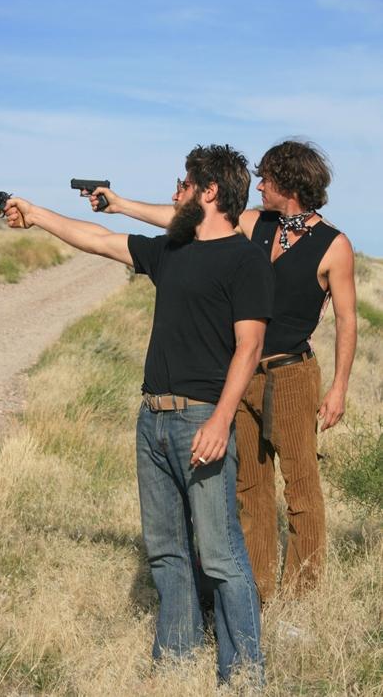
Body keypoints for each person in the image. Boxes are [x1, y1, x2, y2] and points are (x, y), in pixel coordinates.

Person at [5, 144, 274, 684]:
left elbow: (250, 348)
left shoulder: (245, 260)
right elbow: (100, 239)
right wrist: (35, 215)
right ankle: (175, 661)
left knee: (220, 554)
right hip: (152, 418)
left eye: (183, 184)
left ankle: (244, 675)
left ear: (209, 191)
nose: (175, 192)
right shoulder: (173, 249)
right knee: (166, 551)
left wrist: (220, 420)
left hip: (202, 419)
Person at [87, 139, 357, 604]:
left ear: (290, 184)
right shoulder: (254, 224)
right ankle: (257, 592)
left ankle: (302, 597)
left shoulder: (335, 245)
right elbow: (186, 219)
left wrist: (339, 388)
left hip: (292, 375)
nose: (259, 186)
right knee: (249, 487)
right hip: (241, 373)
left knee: (301, 489)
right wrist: (121, 205)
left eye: (267, 179)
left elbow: (348, 321)